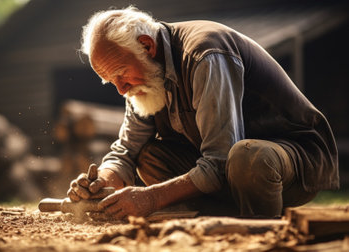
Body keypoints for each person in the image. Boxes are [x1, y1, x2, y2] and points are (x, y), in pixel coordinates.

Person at [67, 6, 339, 219]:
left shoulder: (205, 54)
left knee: (248, 156)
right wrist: (100, 183)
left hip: (289, 161)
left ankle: (258, 224)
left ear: (147, 46)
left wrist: (150, 198)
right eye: (111, 81)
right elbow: (126, 152)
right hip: (228, 170)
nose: (121, 89)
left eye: (121, 75)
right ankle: (225, 216)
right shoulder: (141, 73)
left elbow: (220, 159)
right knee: (149, 157)